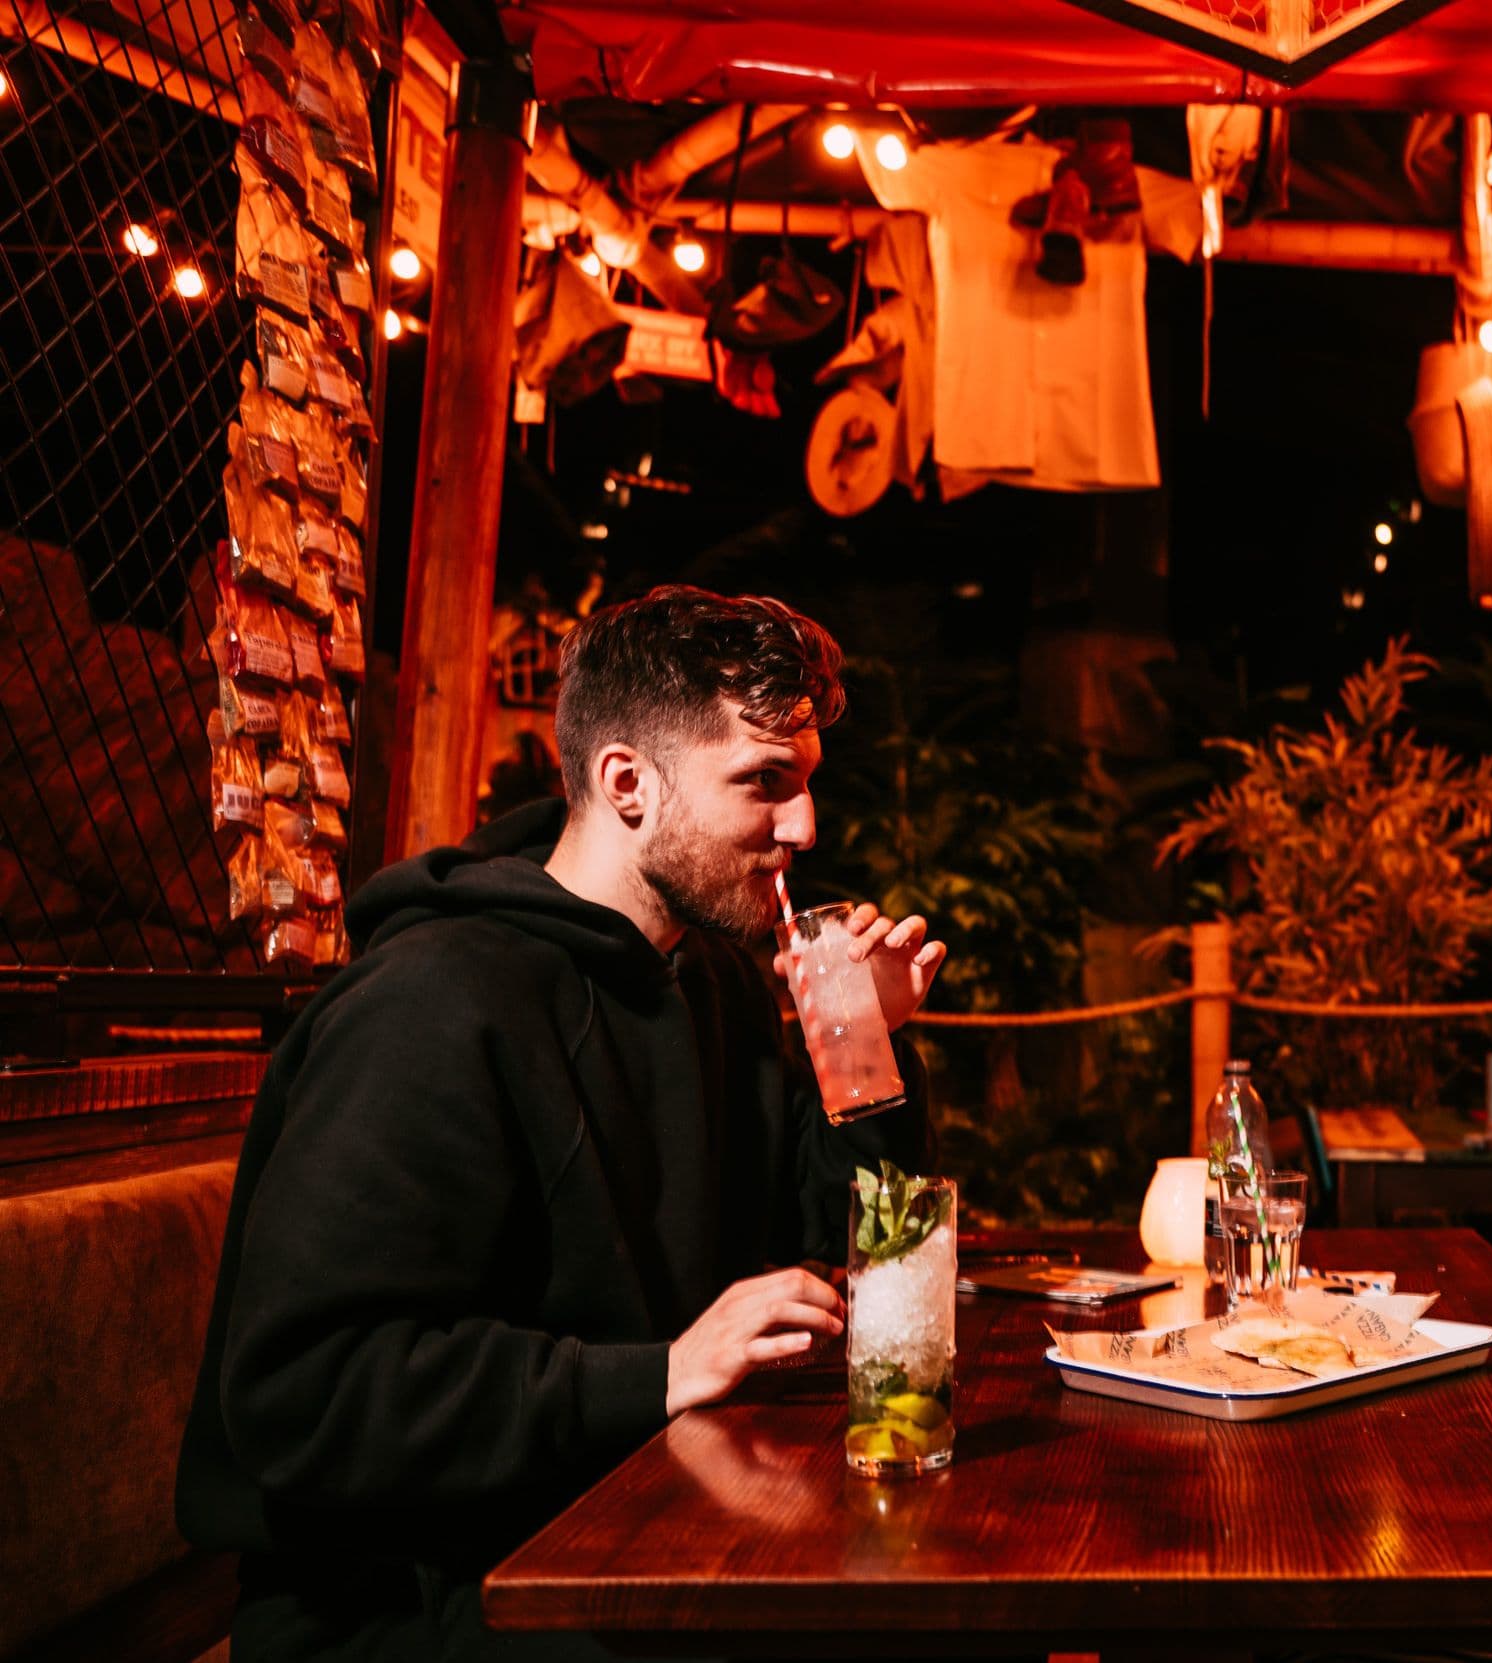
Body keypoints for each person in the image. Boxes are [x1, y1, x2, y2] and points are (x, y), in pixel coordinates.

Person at [178, 587, 947, 1661]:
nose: (805, 827)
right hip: (412, 1602)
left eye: (807, 782)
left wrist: (866, 1045)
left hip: (639, 1533)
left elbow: (844, 1249)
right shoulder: (430, 1004)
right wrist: (661, 1372)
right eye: (764, 783)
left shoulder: (710, 979)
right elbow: (306, 1394)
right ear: (626, 781)